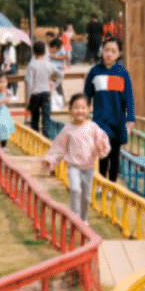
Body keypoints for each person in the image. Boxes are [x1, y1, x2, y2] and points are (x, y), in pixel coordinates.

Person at [42, 93, 110, 222]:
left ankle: (84, 219)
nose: (80, 111)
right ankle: (75, 219)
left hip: (88, 168)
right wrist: (50, 159)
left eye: (83, 107)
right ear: (70, 110)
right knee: (75, 189)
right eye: (76, 108)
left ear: (88, 109)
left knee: (86, 197)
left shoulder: (93, 127)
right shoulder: (68, 129)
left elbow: (102, 141)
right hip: (73, 166)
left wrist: (101, 147)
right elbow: (59, 146)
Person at [84, 38, 135, 183]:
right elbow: (86, 95)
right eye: (106, 50)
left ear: (119, 54)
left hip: (118, 120)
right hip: (101, 120)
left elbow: (129, 97)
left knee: (114, 154)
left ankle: (112, 184)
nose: (109, 54)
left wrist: (130, 117)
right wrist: (83, 112)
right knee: (103, 153)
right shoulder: (94, 72)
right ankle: (101, 182)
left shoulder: (122, 73)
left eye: (113, 51)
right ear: (102, 51)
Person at [25, 42, 62, 137]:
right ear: (45, 52)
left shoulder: (32, 65)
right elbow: (60, 75)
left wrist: (28, 97)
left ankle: (35, 138)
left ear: (33, 53)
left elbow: (29, 82)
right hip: (46, 93)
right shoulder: (49, 64)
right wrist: (54, 85)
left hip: (35, 94)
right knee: (46, 117)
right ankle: (46, 139)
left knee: (35, 118)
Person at [48, 38, 67, 109]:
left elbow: (64, 57)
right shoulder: (47, 48)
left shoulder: (61, 48)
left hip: (57, 68)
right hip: (49, 69)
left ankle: (62, 102)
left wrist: (54, 57)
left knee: (58, 87)